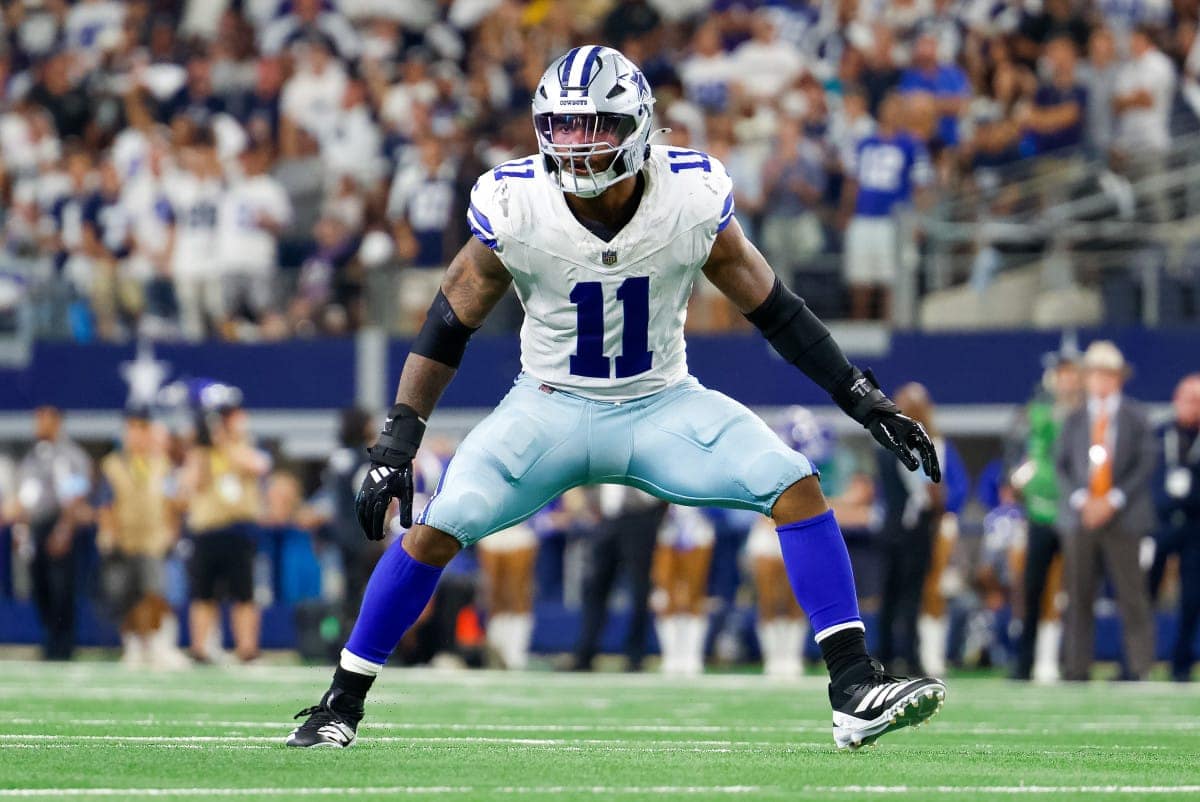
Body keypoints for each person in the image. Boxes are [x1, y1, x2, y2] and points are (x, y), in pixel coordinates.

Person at [287, 45, 944, 751]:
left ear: (636, 125)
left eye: (594, 124)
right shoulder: (518, 200)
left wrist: (859, 394)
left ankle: (852, 687)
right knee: (438, 527)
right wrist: (397, 442)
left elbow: (773, 307)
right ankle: (339, 704)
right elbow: (449, 320)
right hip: (548, 406)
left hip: (661, 401)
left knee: (793, 485)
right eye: (562, 127)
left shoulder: (689, 194)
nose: (576, 144)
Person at [1056, 341, 1156, 682]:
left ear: (1118, 378)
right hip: (1081, 516)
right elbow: (1062, 466)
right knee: (1078, 595)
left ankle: (1139, 667)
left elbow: (1146, 462)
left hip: (1123, 516)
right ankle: (1076, 666)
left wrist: (1113, 498)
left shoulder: (1136, 416)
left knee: (1131, 594)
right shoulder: (1074, 419)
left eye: (1106, 374)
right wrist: (1082, 499)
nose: (1100, 381)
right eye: (1094, 374)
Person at [180, 382, 270, 663]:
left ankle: (247, 648)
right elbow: (191, 484)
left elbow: (259, 465)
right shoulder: (200, 452)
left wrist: (224, 443)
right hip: (207, 530)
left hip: (238, 529)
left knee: (244, 593)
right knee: (203, 593)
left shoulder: (243, 446)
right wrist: (202, 447)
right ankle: (199, 648)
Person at [1010, 346, 1083, 682]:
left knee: (1077, 592)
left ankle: (1072, 664)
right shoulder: (1035, 411)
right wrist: (1014, 477)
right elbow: (1016, 450)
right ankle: (1025, 663)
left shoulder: (1087, 413)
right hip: (1039, 511)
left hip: (1076, 513)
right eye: (1062, 374)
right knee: (1033, 589)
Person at [95, 408, 186, 669]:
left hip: (154, 540)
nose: (137, 437)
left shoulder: (162, 465)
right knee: (125, 596)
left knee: (156, 593)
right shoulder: (112, 465)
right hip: (123, 540)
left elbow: (171, 503)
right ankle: (133, 645)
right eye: (132, 430)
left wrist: (172, 531)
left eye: (141, 430)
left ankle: (159, 645)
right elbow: (105, 504)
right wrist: (108, 534)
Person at [13, 406, 92, 660]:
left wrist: (64, 529)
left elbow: (77, 496)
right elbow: (24, 498)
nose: (38, 425)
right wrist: (21, 529)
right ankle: (50, 640)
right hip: (37, 526)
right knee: (40, 587)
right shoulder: (32, 457)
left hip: (61, 523)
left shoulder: (71, 455)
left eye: (43, 420)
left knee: (62, 589)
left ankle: (64, 646)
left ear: (57, 422)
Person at [571, 485, 666, 673]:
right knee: (595, 587)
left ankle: (635, 656)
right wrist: (593, 502)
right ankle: (585, 653)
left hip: (640, 518)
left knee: (639, 590)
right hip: (607, 519)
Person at [1153, 374, 1200, 681]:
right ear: (1175, 400)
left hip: (1196, 524)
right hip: (1159, 522)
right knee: (1141, 590)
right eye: (1188, 399)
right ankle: (1136, 661)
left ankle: (1181, 663)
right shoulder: (1158, 434)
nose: (1192, 406)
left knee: (1192, 596)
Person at [653, 504, 714, 676]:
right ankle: (671, 655)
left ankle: (693, 655)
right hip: (668, 527)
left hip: (698, 529)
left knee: (695, 596)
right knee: (667, 596)